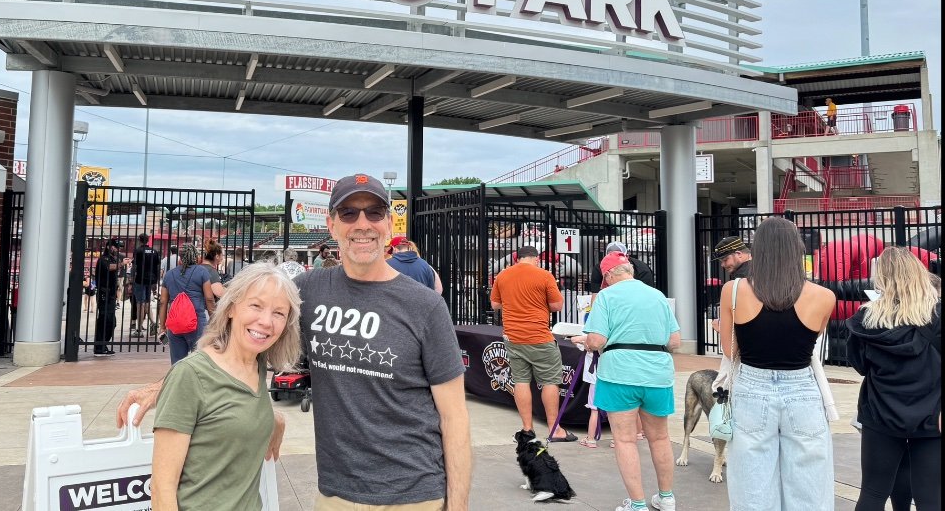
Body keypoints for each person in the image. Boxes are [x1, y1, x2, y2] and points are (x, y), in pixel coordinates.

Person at [120, 172, 472, 509]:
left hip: (414, 494)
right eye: (349, 213)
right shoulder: (308, 291)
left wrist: (457, 506)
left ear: (389, 223)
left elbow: (454, 418)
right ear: (332, 225)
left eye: (375, 212)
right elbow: (243, 343)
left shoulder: (425, 306)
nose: (362, 223)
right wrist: (166, 384)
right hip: (336, 495)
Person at [151, 263, 302, 511]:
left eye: (279, 313)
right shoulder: (190, 375)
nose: (266, 321)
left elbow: (231, 410)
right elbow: (161, 489)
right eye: (256, 306)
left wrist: (274, 419)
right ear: (231, 308)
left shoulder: (256, 363)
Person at [721, 216, 836, 511]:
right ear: (797, 249)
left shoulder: (733, 291)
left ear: (757, 250)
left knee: (752, 487)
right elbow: (812, 340)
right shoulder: (824, 296)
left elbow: (729, 351)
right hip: (802, 389)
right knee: (810, 488)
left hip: (752, 387)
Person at [570, 252, 680, 511]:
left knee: (625, 440)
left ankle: (638, 505)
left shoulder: (606, 296)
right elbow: (674, 341)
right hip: (657, 374)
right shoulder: (657, 296)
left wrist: (584, 340)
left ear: (609, 275)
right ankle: (666, 498)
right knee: (660, 438)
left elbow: (596, 340)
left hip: (619, 372)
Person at [846, 247, 941, 511]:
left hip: (881, 413)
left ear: (882, 279)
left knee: (873, 493)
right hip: (932, 414)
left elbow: (860, 365)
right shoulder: (937, 316)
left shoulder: (866, 319)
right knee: (931, 497)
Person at [489, 244, 572, 442]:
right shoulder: (544, 275)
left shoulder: (503, 275)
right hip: (539, 337)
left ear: (517, 258)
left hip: (513, 337)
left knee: (521, 381)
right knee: (550, 381)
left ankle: (527, 429)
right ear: (536, 259)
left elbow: (495, 304)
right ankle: (554, 429)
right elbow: (557, 305)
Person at [158, 243, 216, 364]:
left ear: (180, 258)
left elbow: (163, 302)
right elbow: (209, 298)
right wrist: (215, 321)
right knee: (199, 360)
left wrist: (162, 326)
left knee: (177, 362)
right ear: (196, 257)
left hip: (175, 323)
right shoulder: (202, 272)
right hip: (196, 322)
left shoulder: (169, 275)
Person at [93, 239, 123, 355]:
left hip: (111, 294)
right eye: (115, 247)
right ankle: (99, 347)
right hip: (104, 294)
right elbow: (109, 267)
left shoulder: (112, 259)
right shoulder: (103, 259)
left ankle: (102, 345)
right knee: (105, 320)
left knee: (111, 321)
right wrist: (122, 264)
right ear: (109, 247)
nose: (116, 249)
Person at [132, 232, 162, 338]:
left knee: (140, 304)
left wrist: (131, 279)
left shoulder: (138, 251)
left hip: (140, 279)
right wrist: (156, 281)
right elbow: (157, 267)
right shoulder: (154, 251)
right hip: (151, 280)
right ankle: (153, 323)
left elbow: (135, 266)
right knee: (147, 303)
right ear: (148, 240)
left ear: (139, 240)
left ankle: (139, 330)